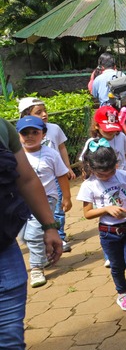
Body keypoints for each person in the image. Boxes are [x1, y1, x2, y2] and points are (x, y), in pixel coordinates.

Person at [0, 117, 62, 350]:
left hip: (4, 256)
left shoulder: (1, 128)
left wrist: (50, 226)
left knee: (8, 347)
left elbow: (25, 178)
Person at [77, 141, 126, 323]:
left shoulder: (124, 176)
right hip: (108, 232)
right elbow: (87, 213)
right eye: (101, 174)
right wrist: (106, 209)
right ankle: (123, 293)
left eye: (110, 172)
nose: (106, 177)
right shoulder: (89, 185)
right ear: (90, 167)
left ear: (116, 164)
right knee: (117, 266)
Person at [17, 116, 72, 288]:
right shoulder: (15, 155)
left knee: (33, 235)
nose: (30, 136)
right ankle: (44, 251)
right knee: (23, 236)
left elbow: (61, 175)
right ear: (18, 136)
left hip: (46, 198)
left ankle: (36, 268)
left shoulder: (51, 154)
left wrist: (66, 197)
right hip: (21, 200)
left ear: (44, 134)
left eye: (35, 132)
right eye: (25, 133)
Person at [19, 96, 76, 252]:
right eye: (39, 112)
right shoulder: (21, 138)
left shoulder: (54, 128)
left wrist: (68, 167)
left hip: (53, 179)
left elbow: (62, 148)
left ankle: (60, 237)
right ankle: (43, 240)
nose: (44, 114)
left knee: (57, 211)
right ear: (25, 116)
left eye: (45, 111)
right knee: (31, 224)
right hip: (31, 185)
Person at [80, 105, 126, 179]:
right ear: (96, 126)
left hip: (122, 176)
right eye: (106, 129)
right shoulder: (92, 142)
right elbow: (85, 162)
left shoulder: (121, 137)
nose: (110, 132)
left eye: (113, 129)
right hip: (102, 179)